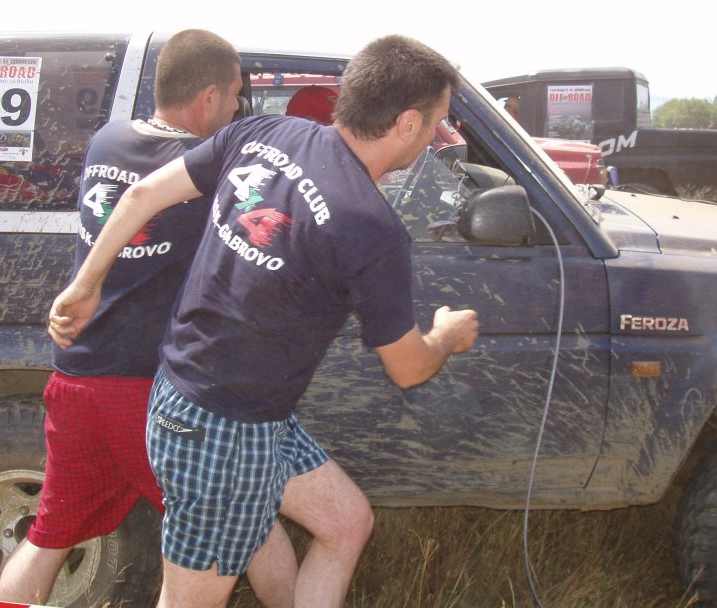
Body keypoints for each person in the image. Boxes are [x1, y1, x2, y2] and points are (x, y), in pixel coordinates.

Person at [47, 34, 480, 608]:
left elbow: (143, 194)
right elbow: (407, 368)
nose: (434, 136)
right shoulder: (371, 228)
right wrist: (445, 337)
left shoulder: (265, 134)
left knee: (347, 523)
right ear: (407, 123)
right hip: (221, 431)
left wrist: (86, 283)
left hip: (213, 404)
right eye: (436, 123)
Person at [0, 29, 295, 607]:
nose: (238, 106)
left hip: (77, 378)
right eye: (235, 94)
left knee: (49, 536)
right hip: (145, 391)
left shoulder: (108, 140)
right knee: (252, 524)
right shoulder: (202, 173)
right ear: (208, 97)